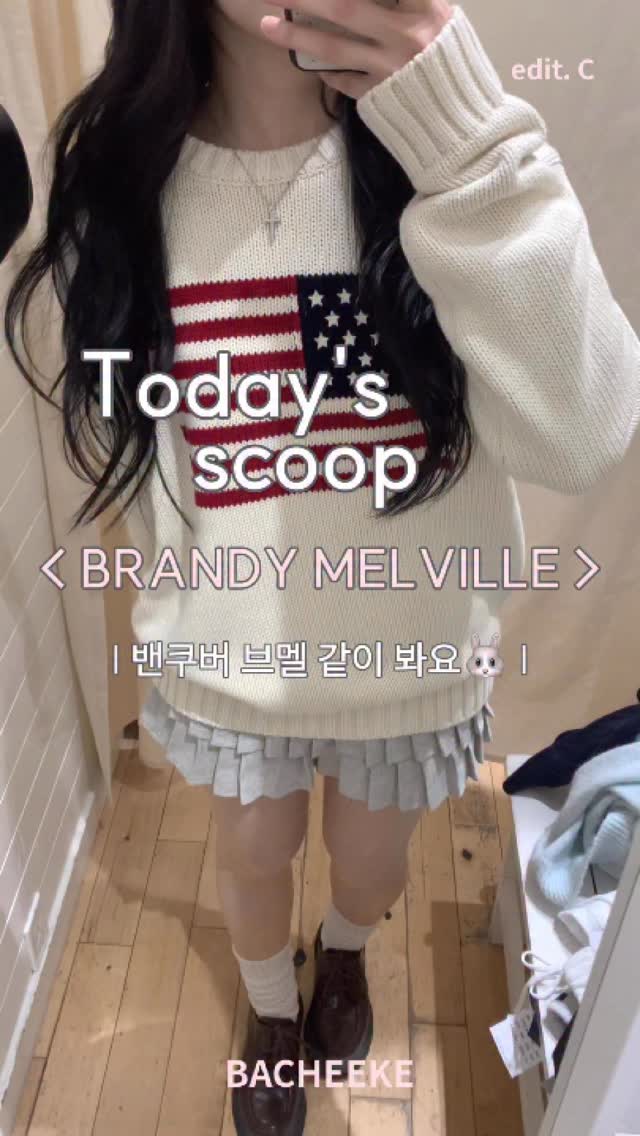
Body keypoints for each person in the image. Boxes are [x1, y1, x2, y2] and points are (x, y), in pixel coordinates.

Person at [6, 2, 640, 1133]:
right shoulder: (122, 172)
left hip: (409, 656)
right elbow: (124, 437)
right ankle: (269, 1010)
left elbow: (583, 434)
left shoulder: (446, 152)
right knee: (253, 857)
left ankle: (342, 952)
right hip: (231, 661)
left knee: (370, 867)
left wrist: (465, 142)